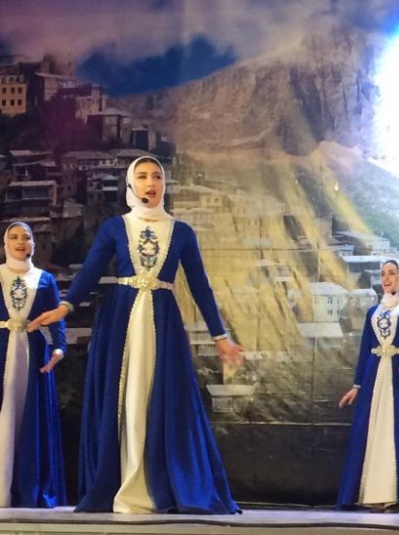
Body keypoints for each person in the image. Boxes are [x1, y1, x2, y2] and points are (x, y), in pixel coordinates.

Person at [28, 156, 242, 514]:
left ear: (164, 184)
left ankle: (158, 484)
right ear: (131, 184)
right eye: (142, 176)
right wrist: (65, 307)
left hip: (163, 321)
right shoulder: (116, 227)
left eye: (156, 176)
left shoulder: (181, 232)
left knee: (157, 395)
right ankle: (124, 481)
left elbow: (200, 286)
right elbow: (91, 270)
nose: (150, 182)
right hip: (122, 318)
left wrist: (220, 335)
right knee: (124, 396)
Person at [337, 259, 399, 511]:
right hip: (374, 375)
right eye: (383, 274)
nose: (386, 278)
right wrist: (357, 384)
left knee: (397, 428)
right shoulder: (374, 311)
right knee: (371, 428)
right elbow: (365, 348)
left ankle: (393, 492)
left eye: (392, 273)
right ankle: (369, 492)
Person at [0, 222, 66, 508]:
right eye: (14, 237)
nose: (20, 242)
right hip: (2, 350)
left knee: (30, 416)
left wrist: (59, 347)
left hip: (33, 353)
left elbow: (56, 318)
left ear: (33, 245)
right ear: (5, 244)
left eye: (26, 237)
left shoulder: (44, 279)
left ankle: (28, 488)